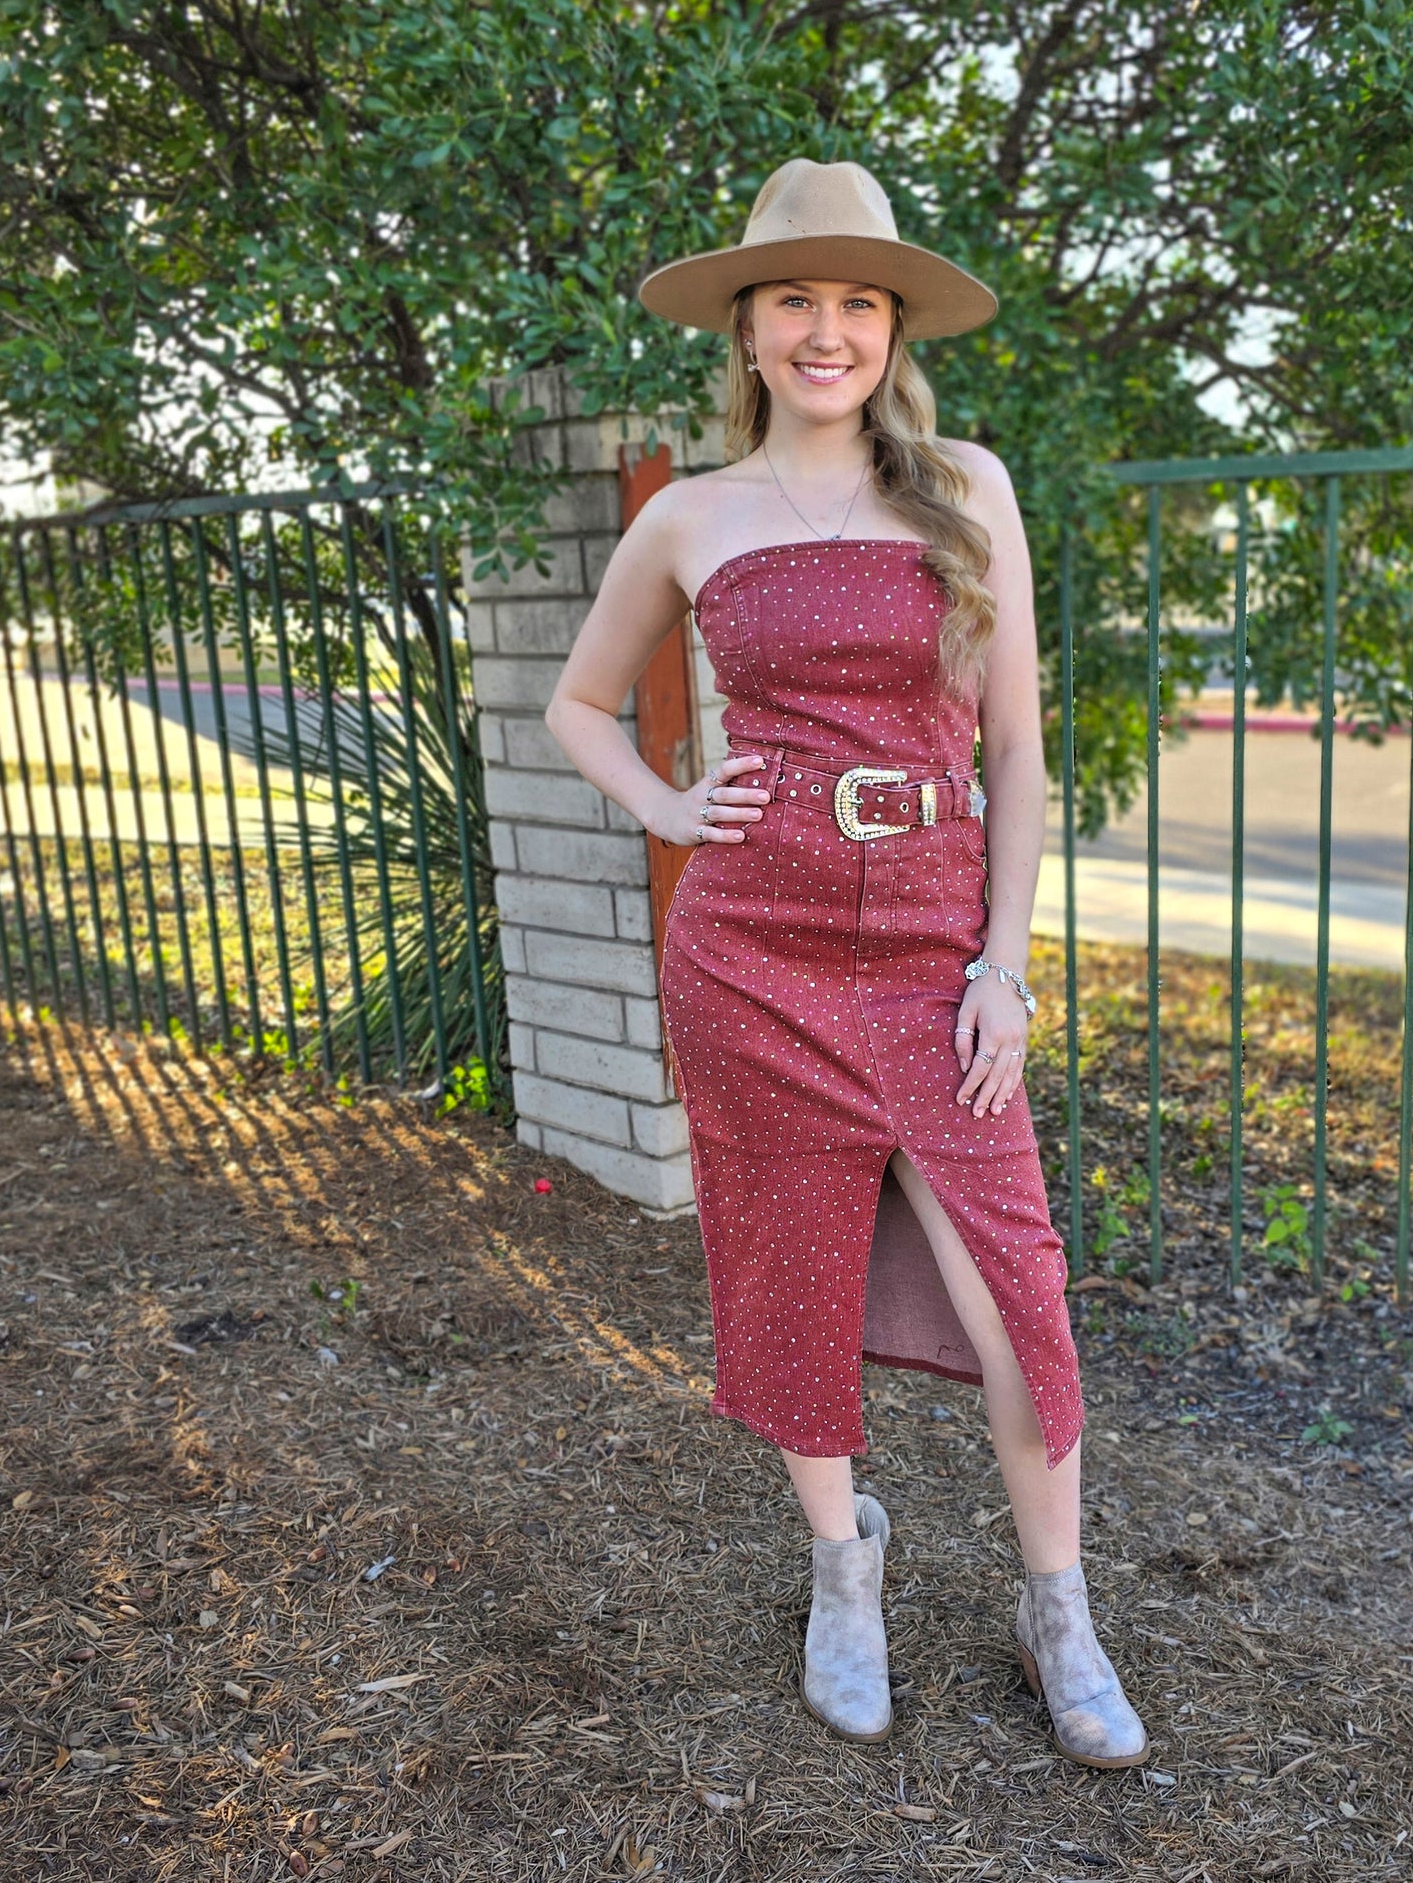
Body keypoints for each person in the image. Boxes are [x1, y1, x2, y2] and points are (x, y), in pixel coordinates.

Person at [544, 156, 1147, 1770]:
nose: (827, 330)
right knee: (789, 1275)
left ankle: (1057, 1611)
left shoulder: (966, 487)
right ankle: (841, 1572)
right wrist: (671, 803)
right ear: (745, 330)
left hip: (936, 952)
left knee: (1020, 1299)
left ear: (893, 327)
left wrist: (1003, 964)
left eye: (858, 302)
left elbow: (1015, 749)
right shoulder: (688, 513)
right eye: (794, 301)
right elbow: (575, 703)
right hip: (751, 955)